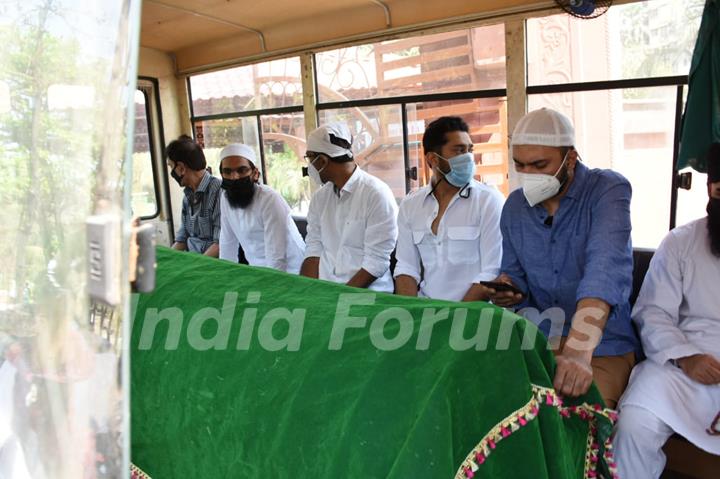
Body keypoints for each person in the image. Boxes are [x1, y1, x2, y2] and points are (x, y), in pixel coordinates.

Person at [487, 108, 639, 408]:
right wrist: (509, 288)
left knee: (582, 418)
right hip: (539, 339)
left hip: (602, 346)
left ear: (570, 158)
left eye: (540, 165)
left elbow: (604, 269)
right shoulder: (515, 207)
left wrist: (578, 352)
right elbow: (513, 272)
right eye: (520, 165)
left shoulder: (607, 190)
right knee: (493, 407)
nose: (528, 175)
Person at [614, 143, 720, 478]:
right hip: (688, 365)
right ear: (711, 189)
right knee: (635, 419)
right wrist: (687, 357)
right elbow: (653, 311)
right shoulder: (680, 242)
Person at [394, 116, 504, 301]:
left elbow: (491, 272)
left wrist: (454, 318)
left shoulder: (489, 201)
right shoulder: (411, 205)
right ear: (433, 159)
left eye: (470, 150)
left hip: (474, 316)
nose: (469, 157)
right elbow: (406, 267)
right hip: (427, 312)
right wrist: (411, 314)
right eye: (459, 150)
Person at [299, 123, 398, 292]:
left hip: (367, 297)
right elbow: (313, 248)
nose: (309, 167)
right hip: (326, 293)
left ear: (322, 161)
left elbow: (376, 262)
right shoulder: (320, 198)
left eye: (310, 158)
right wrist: (307, 293)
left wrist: (340, 298)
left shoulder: (376, 194)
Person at [217, 143, 305, 273]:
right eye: (227, 171)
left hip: (292, 271)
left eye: (241, 170)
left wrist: (271, 285)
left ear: (255, 173)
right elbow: (227, 243)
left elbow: (277, 256)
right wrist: (225, 277)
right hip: (258, 271)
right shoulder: (225, 198)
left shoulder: (269, 199)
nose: (234, 177)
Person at [167, 135, 222, 257]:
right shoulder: (188, 196)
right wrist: (168, 259)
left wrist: (195, 268)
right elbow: (182, 238)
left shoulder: (218, 192)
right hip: (193, 261)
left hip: (210, 264)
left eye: (171, 167)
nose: (171, 173)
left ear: (181, 168)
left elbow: (220, 244)